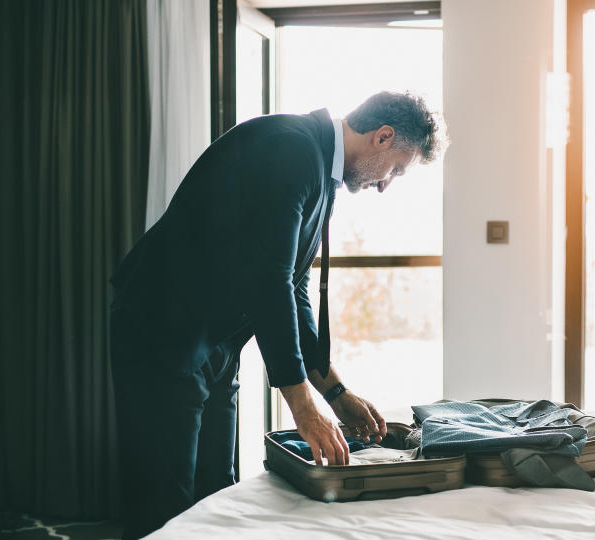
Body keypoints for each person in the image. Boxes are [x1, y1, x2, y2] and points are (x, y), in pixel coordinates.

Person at [109, 91, 442, 539]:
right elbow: (269, 281)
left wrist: (335, 391)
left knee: (217, 493)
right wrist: (301, 404)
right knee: (164, 503)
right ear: (382, 137)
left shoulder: (322, 170)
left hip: (216, 342)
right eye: (397, 169)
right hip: (161, 332)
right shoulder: (291, 149)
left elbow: (295, 287)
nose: (386, 184)